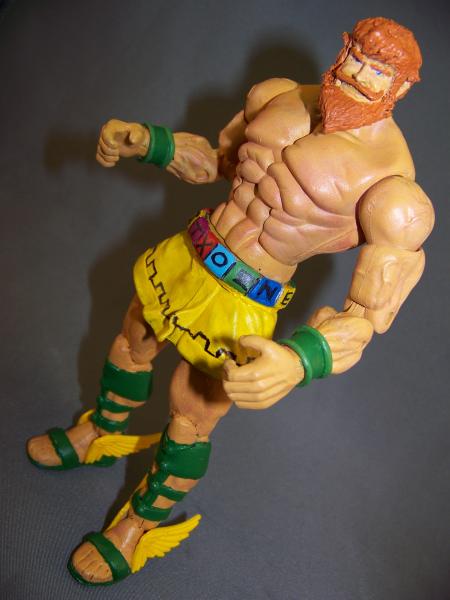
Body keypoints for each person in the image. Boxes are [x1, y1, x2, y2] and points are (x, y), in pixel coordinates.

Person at [27, 16, 434, 585]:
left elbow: (367, 317)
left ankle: (137, 526)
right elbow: (217, 163)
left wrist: (300, 360)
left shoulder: (393, 192)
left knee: (190, 417)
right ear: (343, 47)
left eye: (379, 71)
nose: (358, 74)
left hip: (245, 298)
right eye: (356, 56)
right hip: (189, 253)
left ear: (403, 86)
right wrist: (150, 143)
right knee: (130, 343)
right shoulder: (277, 97)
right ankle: (98, 430)